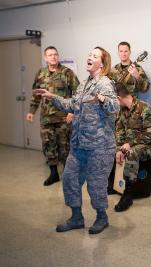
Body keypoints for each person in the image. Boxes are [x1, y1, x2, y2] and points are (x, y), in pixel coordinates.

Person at [34, 47, 119, 234]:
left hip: (99, 147)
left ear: (102, 64)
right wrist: (51, 96)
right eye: (89, 54)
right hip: (79, 144)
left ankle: (101, 217)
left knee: (96, 185)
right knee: (69, 179)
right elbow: (71, 104)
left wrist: (103, 99)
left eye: (95, 56)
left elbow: (115, 106)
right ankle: (76, 218)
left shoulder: (104, 83)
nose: (90, 57)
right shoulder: (84, 84)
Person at [26, 46, 79, 186]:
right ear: (45, 57)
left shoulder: (67, 73)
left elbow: (78, 94)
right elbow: (36, 95)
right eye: (50, 55)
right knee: (48, 145)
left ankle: (69, 175)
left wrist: (72, 112)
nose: (53, 57)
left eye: (55, 54)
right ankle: (54, 173)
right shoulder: (40, 73)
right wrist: (31, 111)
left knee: (65, 147)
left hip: (63, 118)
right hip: (46, 118)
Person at [107, 41, 150, 195]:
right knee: (115, 143)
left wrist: (137, 77)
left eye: (126, 51)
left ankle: (128, 188)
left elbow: (145, 88)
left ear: (130, 52)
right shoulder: (114, 70)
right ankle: (114, 183)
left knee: (129, 144)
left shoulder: (136, 68)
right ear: (118, 52)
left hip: (133, 111)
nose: (124, 53)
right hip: (116, 111)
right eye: (121, 51)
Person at [113, 83, 151, 212]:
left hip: (149, 145)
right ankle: (114, 184)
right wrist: (119, 150)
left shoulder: (144, 108)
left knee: (131, 153)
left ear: (119, 98)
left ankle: (128, 195)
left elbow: (150, 132)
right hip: (131, 145)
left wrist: (129, 145)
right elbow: (119, 133)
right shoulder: (121, 111)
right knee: (111, 149)